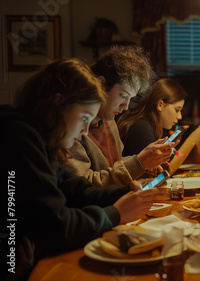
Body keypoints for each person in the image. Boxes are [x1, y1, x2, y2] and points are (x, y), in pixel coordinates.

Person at [1, 58, 158, 281]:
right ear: (58, 104)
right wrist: (115, 214)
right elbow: (57, 228)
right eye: (84, 117)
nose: (86, 130)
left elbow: (74, 190)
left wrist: (122, 193)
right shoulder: (17, 136)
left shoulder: (44, 140)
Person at [67, 45, 175, 187]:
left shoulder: (109, 121)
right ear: (101, 84)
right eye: (123, 96)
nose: (125, 107)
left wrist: (145, 167)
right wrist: (139, 163)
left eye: (130, 98)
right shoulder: (71, 126)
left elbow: (113, 165)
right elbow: (84, 187)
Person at [118, 78, 200, 174]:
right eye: (177, 110)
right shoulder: (141, 127)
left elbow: (177, 156)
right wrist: (192, 140)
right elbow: (162, 173)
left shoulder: (157, 128)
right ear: (160, 104)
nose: (179, 116)